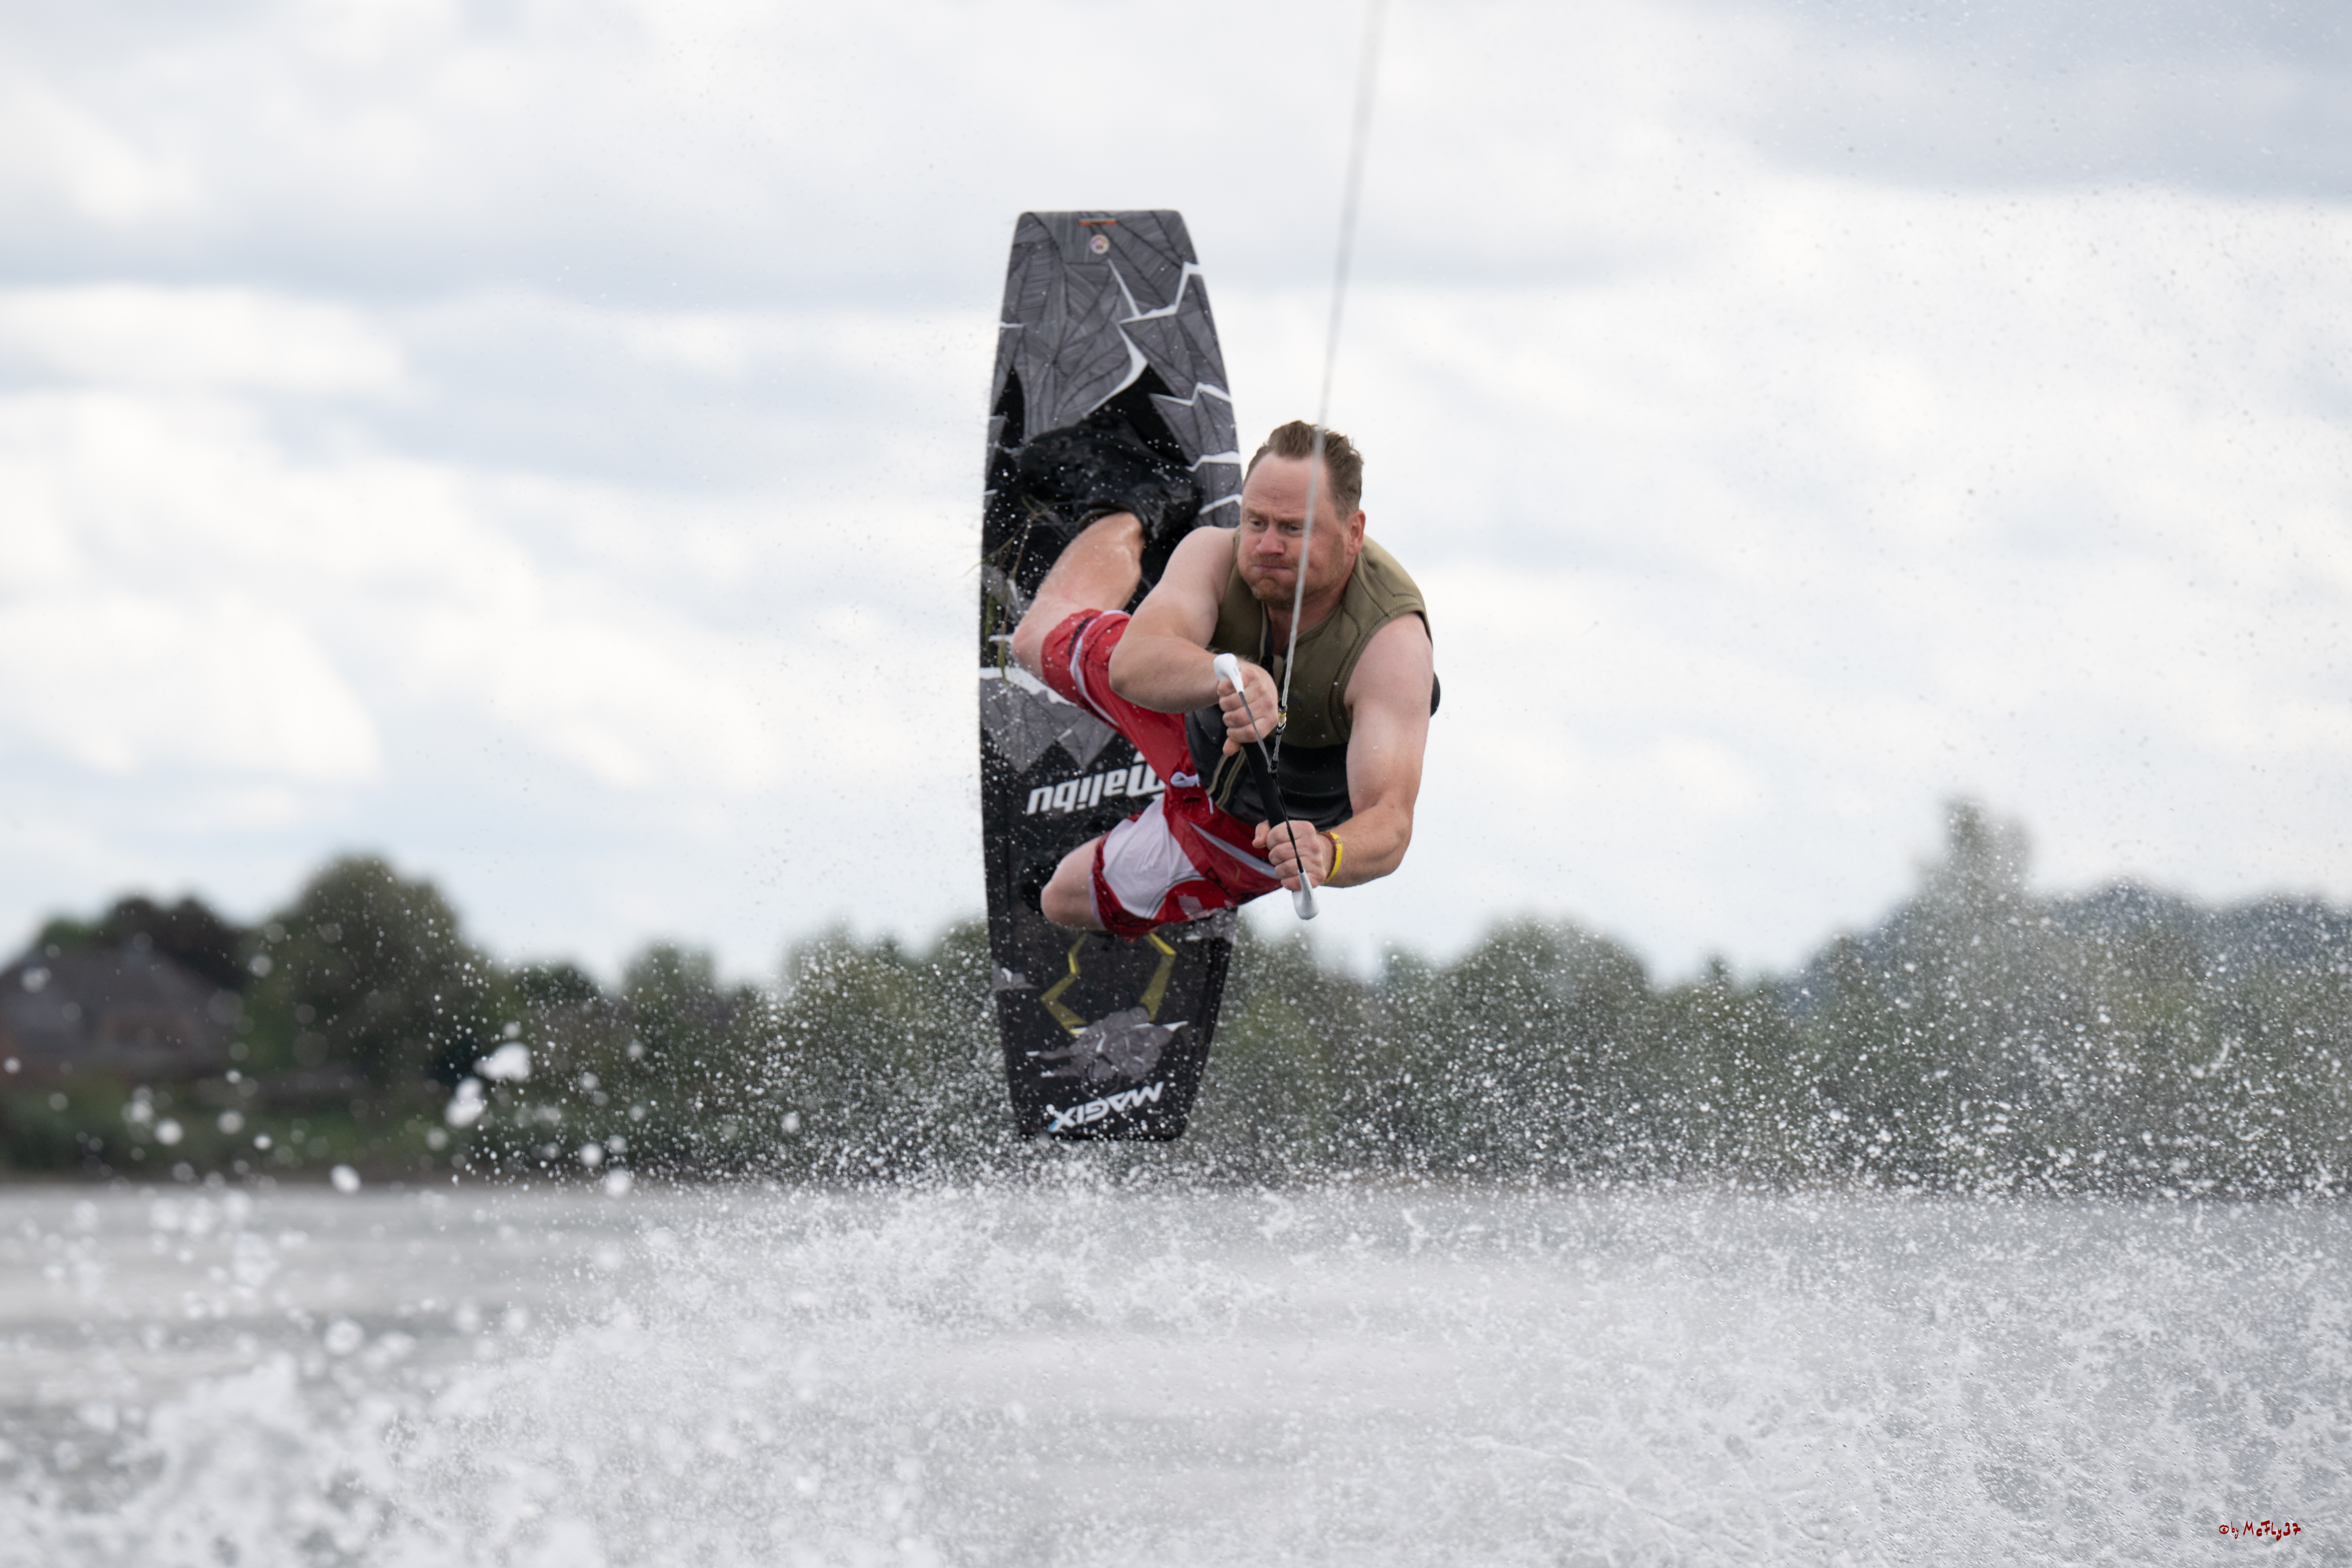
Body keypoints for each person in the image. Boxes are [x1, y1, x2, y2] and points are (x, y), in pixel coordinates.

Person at [1008, 420, 1436, 936]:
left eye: (1293, 529)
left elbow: (1391, 822)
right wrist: (1229, 677)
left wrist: (1327, 851)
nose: (1267, 545)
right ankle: (1140, 503)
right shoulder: (1215, 553)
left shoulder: (1392, 650)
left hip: (1246, 831)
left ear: (1354, 532)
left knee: (1061, 898)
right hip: (1194, 710)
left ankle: (1124, 822)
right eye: (1256, 522)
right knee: (1031, 639)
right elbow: (1131, 667)